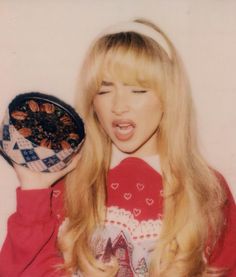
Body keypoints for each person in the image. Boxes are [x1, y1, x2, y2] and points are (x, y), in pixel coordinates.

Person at [0, 18, 235, 277]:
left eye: (138, 90)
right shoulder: (68, 184)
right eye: (104, 90)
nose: (118, 106)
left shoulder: (207, 189)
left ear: (169, 98)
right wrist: (34, 190)